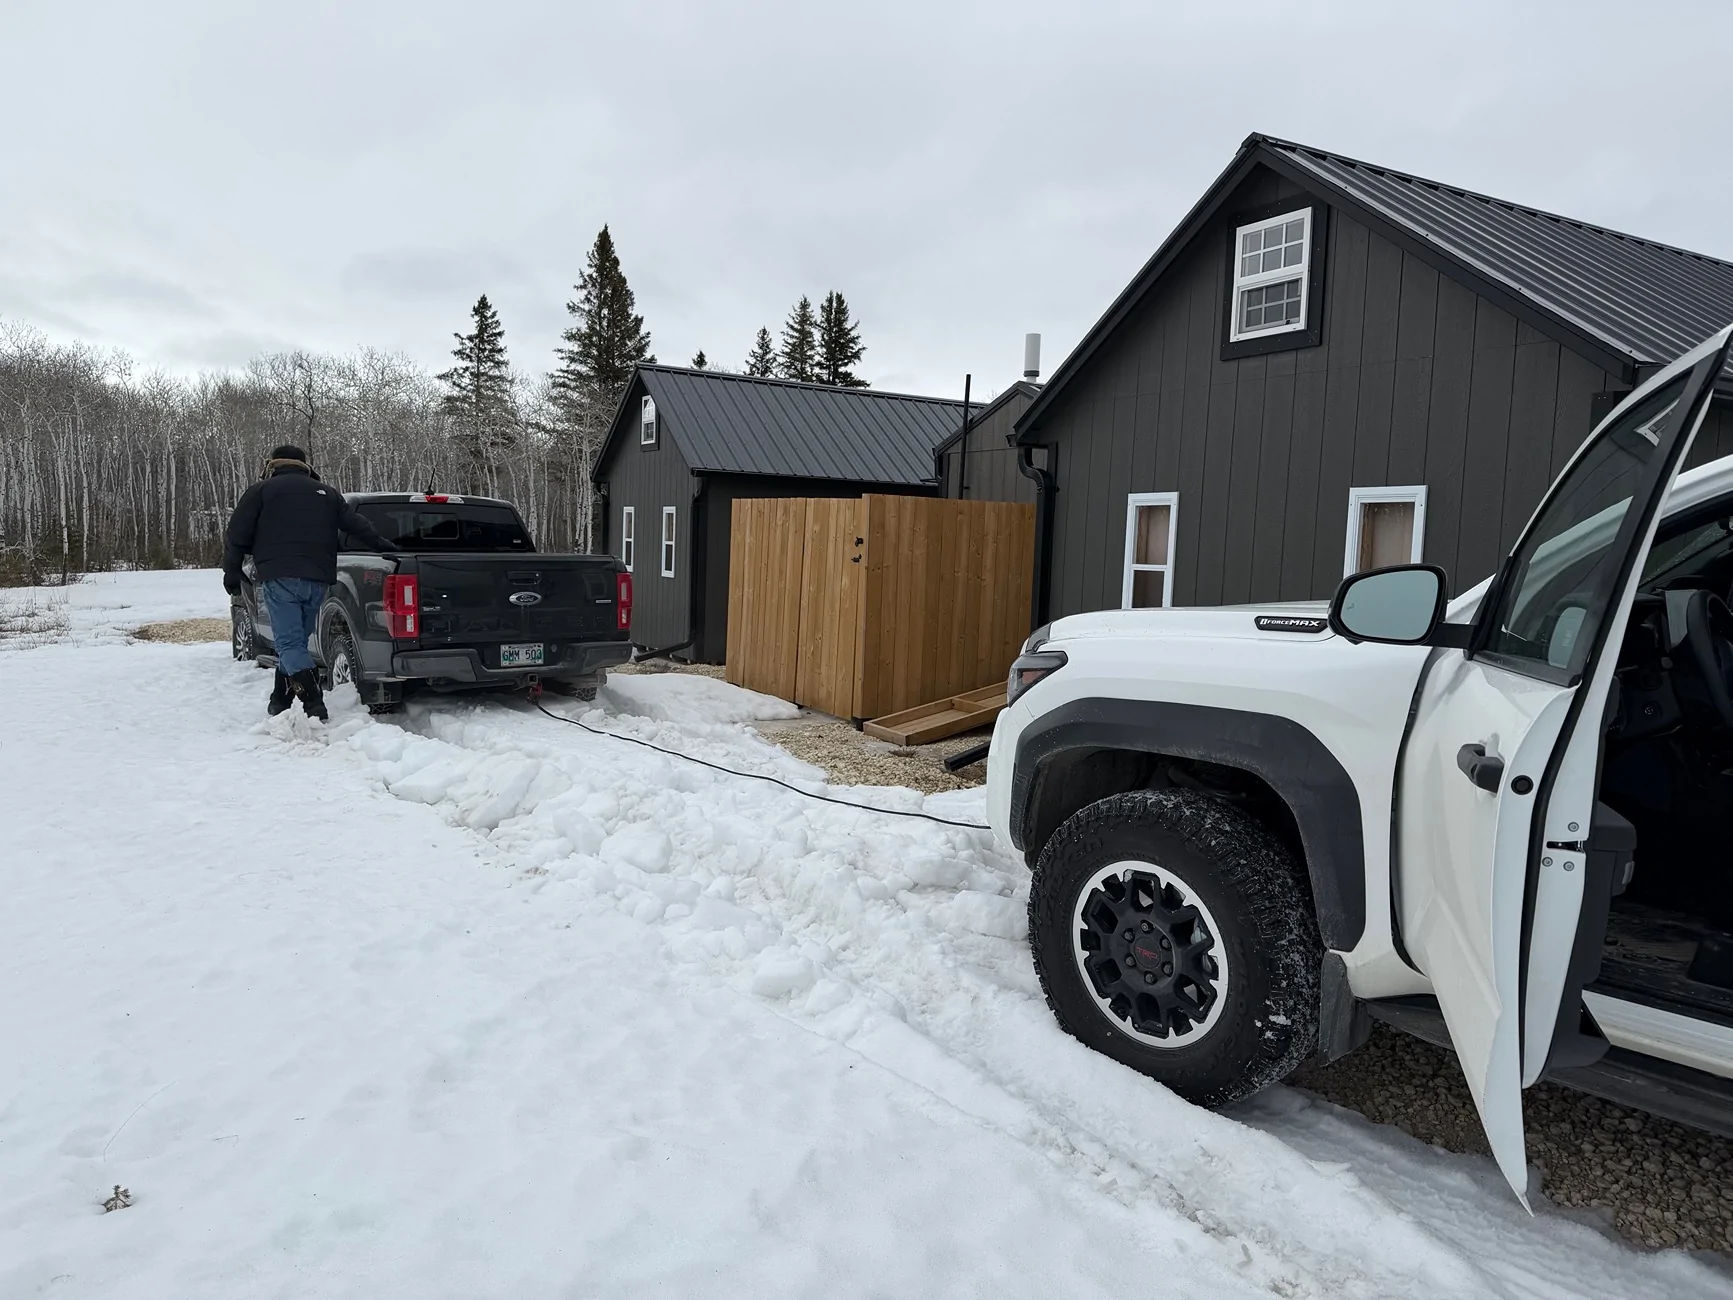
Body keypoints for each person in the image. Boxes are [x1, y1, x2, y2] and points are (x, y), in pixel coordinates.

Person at [222, 445, 397, 720]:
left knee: (289, 645)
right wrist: (386, 546)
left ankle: (314, 703)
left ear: (273, 464)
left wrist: (231, 571)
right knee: (295, 645)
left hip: (280, 577)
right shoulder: (326, 493)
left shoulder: (261, 491)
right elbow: (357, 525)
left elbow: (237, 534)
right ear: (305, 465)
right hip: (317, 580)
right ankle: (279, 701)